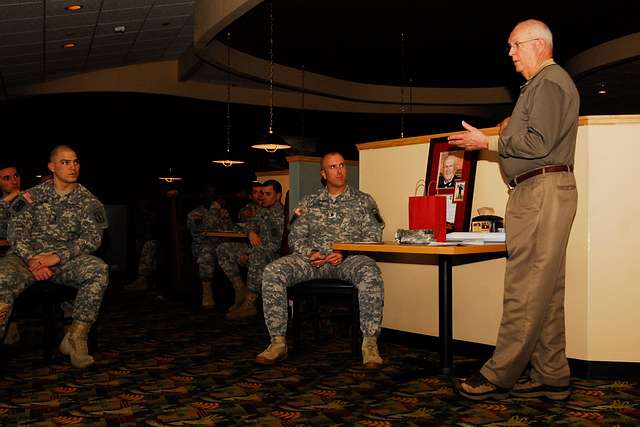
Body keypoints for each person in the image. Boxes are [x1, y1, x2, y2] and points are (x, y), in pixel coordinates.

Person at [448, 19, 579, 401]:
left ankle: (499, 373)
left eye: (514, 45)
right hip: (541, 191)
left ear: (538, 44)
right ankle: (552, 373)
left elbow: (538, 142)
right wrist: (505, 128)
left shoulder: (549, 82)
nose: (510, 53)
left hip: (541, 191)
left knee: (524, 288)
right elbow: (534, 133)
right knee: (546, 290)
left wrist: (488, 139)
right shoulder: (541, 86)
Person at [256, 152, 386, 369]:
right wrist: (311, 252)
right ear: (323, 174)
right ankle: (277, 343)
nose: (339, 170)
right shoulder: (309, 201)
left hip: (347, 261)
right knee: (273, 271)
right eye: (333, 167)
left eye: (342, 165)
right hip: (312, 261)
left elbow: (373, 236)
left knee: (370, 271)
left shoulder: (364, 201)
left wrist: (345, 252)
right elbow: (295, 235)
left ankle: (370, 344)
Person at [0, 145, 109, 368]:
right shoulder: (31, 196)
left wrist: (57, 256)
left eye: (75, 162)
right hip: (25, 259)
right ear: (52, 166)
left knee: (98, 269)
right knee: (1, 277)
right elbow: (15, 231)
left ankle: (75, 337)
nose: (72, 167)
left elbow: (92, 239)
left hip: (64, 262)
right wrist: (33, 259)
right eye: (65, 162)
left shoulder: (89, 202)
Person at [216, 179, 284, 320]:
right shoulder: (263, 211)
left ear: (278, 196)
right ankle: (240, 289)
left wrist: (249, 253)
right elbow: (246, 224)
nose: (263, 197)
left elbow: (274, 246)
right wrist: (251, 232)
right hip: (257, 253)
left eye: (268, 194)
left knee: (258, 253)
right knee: (224, 248)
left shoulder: (281, 216)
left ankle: (249, 303)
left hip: (274, 257)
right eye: (262, 193)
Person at [186, 184, 233, 308]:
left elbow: (228, 229)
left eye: (213, 194)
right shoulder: (194, 214)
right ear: (202, 195)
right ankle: (207, 291)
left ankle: (238, 293)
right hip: (202, 245)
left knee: (231, 250)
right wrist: (213, 210)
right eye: (208, 193)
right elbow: (200, 231)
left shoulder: (223, 212)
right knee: (207, 252)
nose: (211, 196)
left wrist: (218, 211)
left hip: (221, 243)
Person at [0, 163, 21, 240]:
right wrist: (5, 201)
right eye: (7, 178)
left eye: (16, 176)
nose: (14, 182)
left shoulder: (32, 201)